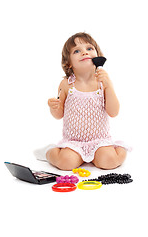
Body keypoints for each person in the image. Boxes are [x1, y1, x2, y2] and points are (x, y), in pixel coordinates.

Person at [34, 32, 131, 170]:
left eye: (89, 49)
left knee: (109, 161)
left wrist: (109, 86)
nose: (84, 52)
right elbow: (58, 115)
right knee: (66, 163)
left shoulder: (102, 82)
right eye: (77, 51)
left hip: (99, 141)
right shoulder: (66, 84)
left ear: (98, 56)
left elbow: (114, 112)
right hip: (73, 142)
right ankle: (49, 152)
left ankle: (121, 149)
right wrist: (53, 107)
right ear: (68, 64)